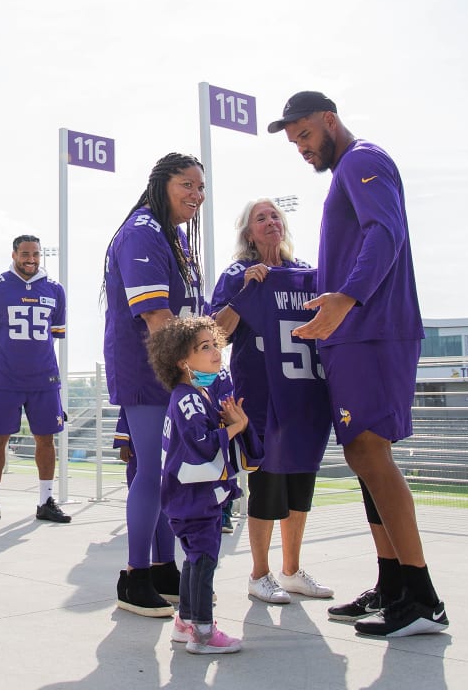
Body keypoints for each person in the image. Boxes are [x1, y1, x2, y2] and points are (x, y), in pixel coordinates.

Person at [270, 90, 447, 636]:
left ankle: (422, 596)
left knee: (370, 451)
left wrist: (347, 297)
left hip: (372, 329)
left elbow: (384, 231)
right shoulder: (347, 169)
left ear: (329, 120)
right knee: (362, 454)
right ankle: (392, 583)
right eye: (294, 140)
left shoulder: (362, 160)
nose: (301, 147)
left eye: (305, 135)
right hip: (354, 334)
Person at [211, 199, 333, 604]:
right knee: (267, 481)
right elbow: (215, 335)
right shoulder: (237, 274)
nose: (270, 222)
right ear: (247, 231)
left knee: (301, 481)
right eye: (260, 217)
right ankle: (259, 573)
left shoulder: (305, 274)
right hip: (262, 392)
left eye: (275, 215)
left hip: (304, 388)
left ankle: (292, 570)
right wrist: (246, 294)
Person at [102, 152, 206, 617]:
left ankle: (165, 569)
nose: (196, 195)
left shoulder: (175, 236)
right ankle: (134, 576)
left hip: (171, 367)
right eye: (187, 184)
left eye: (201, 188)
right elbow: (157, 317)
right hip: (148, 368)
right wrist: (198, 377)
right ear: (162, 184)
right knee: (152, 470)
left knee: (165, 471)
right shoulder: (143, 230)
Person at [149, 316, 262, 654]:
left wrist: (231, 423)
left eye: (215, 345)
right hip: (195, 499)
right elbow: (201, 443)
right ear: (183, 361)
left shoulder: (199, 395)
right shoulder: (188, 399)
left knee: (195, 557)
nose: (216, 352)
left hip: (192, 498)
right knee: (203, 559)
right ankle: (202, 629)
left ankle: (185, 622)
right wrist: (235, 427)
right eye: (205, 347)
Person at [0, 234, 71, 525]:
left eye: (36, 254)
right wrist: (6, 361)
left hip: (44, 379)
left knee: (46, 439)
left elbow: (55, 335)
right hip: (5, 379)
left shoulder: (55, 289)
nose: (31, 259)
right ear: (14, 254)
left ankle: (45, 500)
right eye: (25, 254)